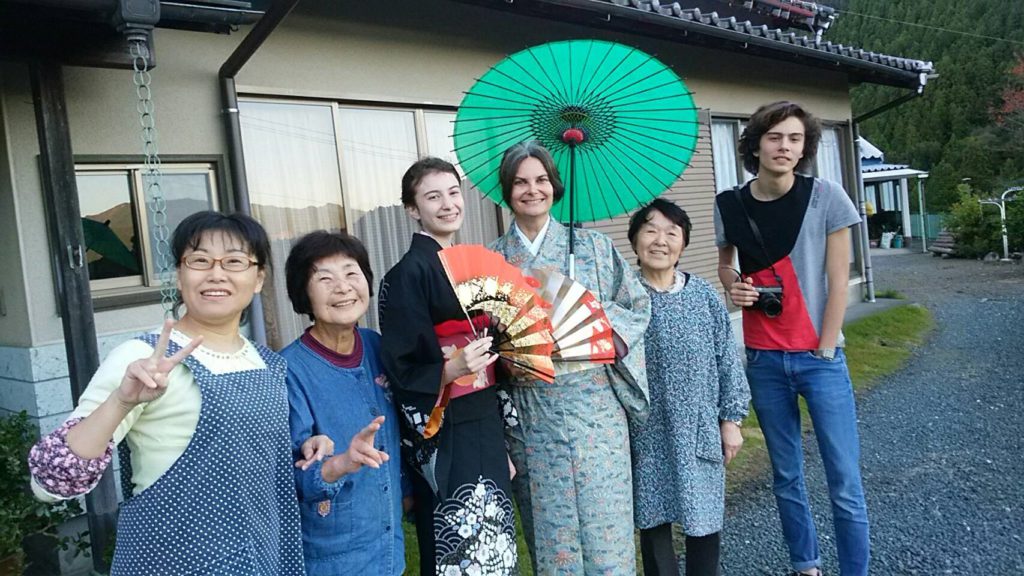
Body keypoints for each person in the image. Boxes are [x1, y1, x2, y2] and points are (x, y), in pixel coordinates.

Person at [28, 211, 304, 575]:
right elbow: (49, 483)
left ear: (258, 278)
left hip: (260, 556)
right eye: (199, 260)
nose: (216, 274)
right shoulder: (141, 358)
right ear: (179, 274)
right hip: (171, 559)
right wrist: (121, 401)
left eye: (235, 261)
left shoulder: (267, 362)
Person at [713, 101, 869, 576]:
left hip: (819, 359)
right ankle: (806, 565)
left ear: (805, 148)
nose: (785, 147)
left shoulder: (827, 196)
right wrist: (732, 283)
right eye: (775, 137)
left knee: (844, 480)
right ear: (755, 143)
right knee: (786, 476)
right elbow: (726, 263)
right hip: (763, 359)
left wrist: (824, 347)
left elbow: (838, 280)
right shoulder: (730, 203)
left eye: (795, 139)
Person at [490, 140, 651, 575]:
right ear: (507, 190)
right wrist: (520, 348)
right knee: (551, 531)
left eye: (541, 180)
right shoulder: (494, 260)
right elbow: (483, 339)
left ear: (555, 186)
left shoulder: (593, 247)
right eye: (520, 182)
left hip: (594, 404)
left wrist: (593, 330)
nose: (532, 190)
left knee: (607, 527)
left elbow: (635, 305)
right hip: (532, 409)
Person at [378, 157, 519, 576]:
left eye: (453, 193)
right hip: (445, 426)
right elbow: (403, 367)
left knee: (495, 540)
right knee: (456, 543)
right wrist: (448, 370)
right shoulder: (407, 274)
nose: (447, 204)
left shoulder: (469, 265)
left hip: (483, 420)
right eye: (432, 196)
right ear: (412, 208)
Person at [627, 198, 750, 576]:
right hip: (645, 431)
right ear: (634, 242)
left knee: (704, 521)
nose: (660, 241)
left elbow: (727, 359)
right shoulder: (623, 298)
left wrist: (731, 420)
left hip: (698, 427)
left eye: (671, 233)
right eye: (650, 230)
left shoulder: (703, 297)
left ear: (683, 244)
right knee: (654, 524)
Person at [280, 230, 405, 575]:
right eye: (325, 278)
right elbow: (287, 478)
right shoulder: (289, 370)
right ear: (302, 293)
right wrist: (341, 463)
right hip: (330, 554)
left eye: (352, 273)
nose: (343, 287)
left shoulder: (377, 347)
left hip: (388, 541)